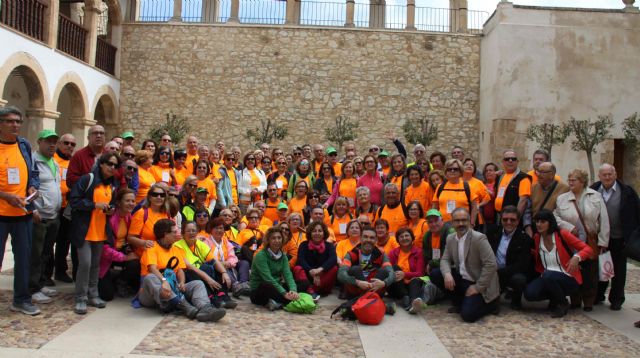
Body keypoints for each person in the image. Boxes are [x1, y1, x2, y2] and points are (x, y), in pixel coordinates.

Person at [138, 219, 226, 322]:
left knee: (198, 284)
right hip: (151, 294)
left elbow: (180, 270)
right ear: (166, 234)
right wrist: (164, 280)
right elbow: (152, 269)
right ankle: (184, 306)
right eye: (174, 232)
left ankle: (205, 309)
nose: (177, 234)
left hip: (172, 288)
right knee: (150, 278)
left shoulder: (176, 249)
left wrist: (182, 282)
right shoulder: (151, 248)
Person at [0, 106, 40, 315]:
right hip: (1, 213)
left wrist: (32, 187)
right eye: (9, 121)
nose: (15, 125)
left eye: (18, 121)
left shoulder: (23, 145)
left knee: (24, 259)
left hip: (22, 213)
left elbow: (32, 171)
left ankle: (22, 299)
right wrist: (7, 196)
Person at [69, 152, 121, 314]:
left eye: (115, 165)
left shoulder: (112, 185)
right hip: (85, 231)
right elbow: (74, 201)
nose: (112, 168)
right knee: (85, 264)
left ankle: (93, 294)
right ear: (101, 164)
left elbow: (111, 204)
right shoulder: (88, 179)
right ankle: (80, 298)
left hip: (100, 231)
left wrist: (110, 210)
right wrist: (94, 205)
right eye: (110, 164)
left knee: (95, 265)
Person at [430, 207, 500, 323]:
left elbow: (491, 264)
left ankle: (492, 305)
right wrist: (447, 274)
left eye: (464, 220)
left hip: (479, 282)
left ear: (469, 221)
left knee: (468, 316)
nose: (461, 223)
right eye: (457, 221)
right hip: (463, 279)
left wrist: (477, 288)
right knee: (436, 274)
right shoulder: (451, 238)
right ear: (452, 223)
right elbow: (445, 260)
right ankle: (460, 302)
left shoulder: (479, 238)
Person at [554, 168, 609, 311]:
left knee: (590, 271)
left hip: (590, 239)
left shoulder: (595, 197)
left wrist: (603, 241)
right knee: (573, 269)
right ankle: (575, 299)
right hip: (571, 240)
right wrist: (567, 226)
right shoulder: (562, 198)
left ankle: (589, 300)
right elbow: (556, 217)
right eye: (569, 179)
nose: (570, 182)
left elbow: (604, 220)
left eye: (574, 180)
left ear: (582, 181)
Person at [524, 209, 593, 318]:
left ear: (550, 223)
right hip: (547, 276)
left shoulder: (562, 234)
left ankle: (562, 303)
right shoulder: (537, 238)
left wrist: (577, 257)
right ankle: (555, 297)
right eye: (537, 221)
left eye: (543, 222)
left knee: (548, 275)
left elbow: (588, 249)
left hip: (568, 276)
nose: (539, 224)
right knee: (529, 293)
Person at [592, 164, 640, 311]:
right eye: (604, 175)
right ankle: (598, 295)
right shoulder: (593, 190)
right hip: (599, 237)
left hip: (620, 237)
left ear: (615, 174)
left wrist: (632, 235)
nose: (607, 177)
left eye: (610, 174)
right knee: (600, 267)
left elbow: (637, 212)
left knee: (619, 270)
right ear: (599, 176)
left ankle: (617, 299)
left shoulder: (627, 192)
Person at [30, 130, 62, 304]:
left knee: (46, 252)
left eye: (54, 142)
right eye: (48, 141)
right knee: (35, 253)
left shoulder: (53, 162)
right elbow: (29, 188)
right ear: (39, 142)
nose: (52, 145)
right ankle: (32, 287)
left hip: (53, 215)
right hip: (39, 215)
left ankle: (41, 282)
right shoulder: (33, 161)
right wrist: (32, 209)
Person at [173, 221, 237, 309]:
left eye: (194, 230)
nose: (191, 233)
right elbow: (189, 266)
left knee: (214, 267)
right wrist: (208, 279)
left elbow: (213, 260)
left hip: (202, 272)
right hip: (188, 275)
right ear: (183, 233)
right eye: (188, 231)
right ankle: (212, 297)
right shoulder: (177, 246)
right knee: (199, 270)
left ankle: (223, 296)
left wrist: (224, 273)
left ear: (197, 232)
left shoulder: (200, 244)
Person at [99, 188, 140, 300]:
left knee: (136, 262)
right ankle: (111, 277)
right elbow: (104, 249)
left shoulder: (129, 216)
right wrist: (125, 257)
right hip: (105, 258)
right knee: (107, 295)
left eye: (133, 201)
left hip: (120, 251)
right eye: (127, 201)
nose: (131, 204)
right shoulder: (109, 218)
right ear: (118, 202)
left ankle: (121, 281)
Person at [488, 205, 532, 310]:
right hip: (493, 273)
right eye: (505, 219)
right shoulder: (492, 233)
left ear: (518, 221)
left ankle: (516, 300)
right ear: (501, 220)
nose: (508, 222)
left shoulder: (525, 238)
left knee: (519, 279)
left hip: (510, 273)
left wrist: (499, 272)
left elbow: (522, 265)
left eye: (512, 220)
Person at [337, 225, 395, 298]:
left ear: (376, 240)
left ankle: (362, 300)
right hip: (357, 289)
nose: (368, 240)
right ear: (360, 238)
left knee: (383, 272)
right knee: (355, 269)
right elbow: (341, 274)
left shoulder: (381, 254)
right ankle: (369, 299)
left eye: (372, 238)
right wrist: (357, 282)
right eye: (365, 237)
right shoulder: (352, 254)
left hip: (374, 287)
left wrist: (384, 283)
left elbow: (391, 273)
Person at [249, 227, 299, 310]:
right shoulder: (261, 256)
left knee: (303, 283)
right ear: (268, 240)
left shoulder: (283, 256)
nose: (277, 240)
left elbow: (288, 275)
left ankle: (283, 300)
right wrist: (284, 293)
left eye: (279, 238)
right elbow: (268, 278)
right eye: (273, 238)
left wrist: (293, 290)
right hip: (259, 291)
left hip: (277, 286)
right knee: (267, 285)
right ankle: (289, 300)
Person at [203, 217, 250, 297]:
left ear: (224, 230)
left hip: (228, 265)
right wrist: (221, 264)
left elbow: (233, 257)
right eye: (216, 228)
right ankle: (236, 286)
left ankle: (243, 284)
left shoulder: (225, 241)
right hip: (215, 267)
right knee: (223, 268)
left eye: (221, 228)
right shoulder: (206, 242)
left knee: (244, 263)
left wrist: (228, 263)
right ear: (211, 229)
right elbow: (207, 259)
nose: (219, 230)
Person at [52, 133, 76, 284]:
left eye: (72, 144)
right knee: (48, 242)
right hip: (52, 207)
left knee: (64, 241)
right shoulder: (52, 160)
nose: (69, 146)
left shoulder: (73, 162)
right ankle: (44, 273)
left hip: (66, 208)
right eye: (66, 143)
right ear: (59, 144)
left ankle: (60, 270)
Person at [294, 221, 338, 299]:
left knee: (334, 268)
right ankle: (310, 290)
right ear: (310, 233)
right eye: (314, 231)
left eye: (320, 231)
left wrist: (319, 270)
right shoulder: (303, 245)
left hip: (323, 281)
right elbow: (301, 260)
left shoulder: (329, 246)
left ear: (324, 233)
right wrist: (311, 271)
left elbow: (333, 259)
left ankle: (311, 290)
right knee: (297, 268)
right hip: (308, 278)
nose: (317, 233)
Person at [387, 228, 426, 313]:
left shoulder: (419, 252)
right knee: (395, 268)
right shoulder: (393, 253)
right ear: (398, 240)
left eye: (407, 235)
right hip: (396, 286)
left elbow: (420, 273)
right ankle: (405, 297)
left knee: (415, 280)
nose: (404, 238)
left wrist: (404, 274)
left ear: (412, 237)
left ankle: (412, 304)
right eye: (401, 237)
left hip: (411, 284)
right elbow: (388, 270)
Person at [494, 150, 532, 235]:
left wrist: (514, 220)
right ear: (503, 162)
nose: (510, 161)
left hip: (511, 221)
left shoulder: (523, 178)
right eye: (507, 159)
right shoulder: (501, 176)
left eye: (513, 159)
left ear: (517, 162)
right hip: (500, 217)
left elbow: (523, 201)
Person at [128, 184, 172, 257]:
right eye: (155, 195)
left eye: (162, 195)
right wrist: (144, 243)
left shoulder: (166, 214)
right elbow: (130, 238)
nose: (159, 197)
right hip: (145, 254)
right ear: (149, 197)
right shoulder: (141, 213)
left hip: (164, 254)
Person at [432, 159, 478, 224]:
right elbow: (434, 207)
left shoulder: (467, 186)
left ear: (460, 171)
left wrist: (472, 224)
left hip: (462, 225)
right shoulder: (440, 187)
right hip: (443, 226)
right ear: (446, 172)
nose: (452, 171)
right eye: (449, 169)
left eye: (455, 169)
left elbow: (474, 207)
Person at [66, 124, 105, 189]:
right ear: (88, 137)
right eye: (95, 133)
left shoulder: (110, 155)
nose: (99, 136)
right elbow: (70, 180)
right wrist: (90, 180)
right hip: (85, 197)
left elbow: (119, 178)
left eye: (101, 133)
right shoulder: (78, 156)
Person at [422, 209, 454, 276]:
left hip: (451, 265)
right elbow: (426, 256)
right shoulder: (427, 236)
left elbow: (450, 257)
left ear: (442, 220)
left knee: (435, 273)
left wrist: (431, 263)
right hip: (434, 265)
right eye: (430, 222)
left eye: (436, 221)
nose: (433, 224)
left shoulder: (450, 232)